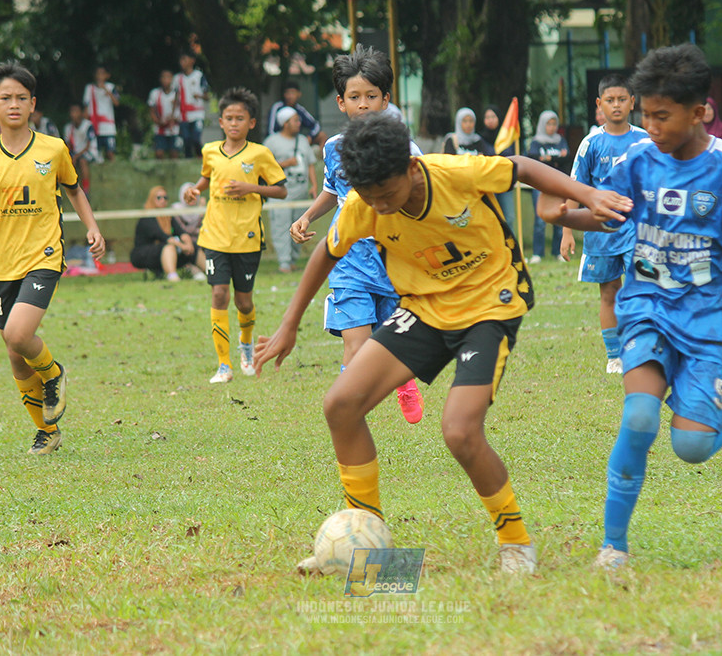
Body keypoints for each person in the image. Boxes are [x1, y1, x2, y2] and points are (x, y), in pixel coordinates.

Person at [256, 112, 633, 575]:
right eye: (370, 197)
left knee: (459, 431)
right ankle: (367, 543)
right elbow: (325, 253)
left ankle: (516, 543)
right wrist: (289, 324)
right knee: (341, 404)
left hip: (489, 306)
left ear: (411, 168)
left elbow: (523, 167)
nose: (380, 207)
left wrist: (587, 194)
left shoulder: (455, 172)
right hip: (424, 307)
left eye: (387, 193)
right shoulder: (363, 204)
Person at [539, 44, 722, 569]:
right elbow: (608, 214)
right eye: (646, 114)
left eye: (661, 116)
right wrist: (565, 216)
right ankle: (613, 546)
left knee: (690, 448)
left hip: (713, 321)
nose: (650, 126)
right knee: (639, 416)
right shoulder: (638, 159)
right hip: (647, 306)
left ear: (699, 112)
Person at [0, 60, 106, 455]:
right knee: (14, 354)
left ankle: (54, 373)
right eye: (6, 98)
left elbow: (74, 190)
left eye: (21, 98)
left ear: (33, 105)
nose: (14, 104)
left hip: (44, 254)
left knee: (18, 335)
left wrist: (92, 228)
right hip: (2, 262)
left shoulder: (53, 148)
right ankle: (48, 432)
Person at [287, 44, 426, 425]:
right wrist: (307, 216)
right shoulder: (333, 148)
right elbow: (333, 191)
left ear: (385, 99)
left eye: (371, 96)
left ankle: (403, 381)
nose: (362, 104)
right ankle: (349, 414)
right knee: (356, 343)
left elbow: (422, 199)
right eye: (354, 97)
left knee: (391, 341)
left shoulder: (406, 150)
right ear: (341, 102)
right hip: (347, 259)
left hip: (394, 260)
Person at [182, 87, 287, 384]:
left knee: (243, 302)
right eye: (229, 118)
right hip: (214, 236)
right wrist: (195, 190)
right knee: (218, 294)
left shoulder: (260, 154)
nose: (234, 123)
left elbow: (281, 190)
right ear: (221, 121)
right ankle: (224, 365)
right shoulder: (210, 151)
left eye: (240, 118)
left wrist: (250, 188)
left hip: (247, 237)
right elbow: (206, 177)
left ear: (251, 123)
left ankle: (246, 345)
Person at [563, 75, 649, 374]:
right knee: (609, 292)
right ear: (599, 104)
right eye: (610, 100)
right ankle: (614, 356)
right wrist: (567, 231)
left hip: (638, 230)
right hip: (600, 232)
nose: (616, 105)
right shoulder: (591, 143)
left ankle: (641, 350)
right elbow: (575, 186)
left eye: (622, 99)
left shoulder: (644, 141)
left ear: (632, 103)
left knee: (641, 290)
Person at [263, 106, 317, 273]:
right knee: (281, 227)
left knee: (300, 226)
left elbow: (310, 164)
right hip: (281, 194)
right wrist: (286, 163)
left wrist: (314, 185)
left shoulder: (303, 140)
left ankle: (293, 260)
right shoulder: (271, 142)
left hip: (301, 192)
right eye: (295, 120)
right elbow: (264, 167)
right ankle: (284, 263)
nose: (299, 123)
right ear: (285, 123)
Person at [130, 186, 204, 281]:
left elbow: (181, 233)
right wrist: (183, 246)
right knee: (169, 247)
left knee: (194, 247)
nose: (163, 200)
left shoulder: (168, 216)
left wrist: (189, 244)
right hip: (143, 254)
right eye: (159, 198)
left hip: (166, 250)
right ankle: (173, 276)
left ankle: (211, 273)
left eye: (165, 198)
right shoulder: (147, 217)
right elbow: (164, 237)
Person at [526, 110, 570, 264]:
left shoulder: (560, 140)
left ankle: (558, 251)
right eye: (548, 124)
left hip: (557, 184)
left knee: (559, 216)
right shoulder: (536, 142)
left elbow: (566, 157)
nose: (551, 127)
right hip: (540, 185)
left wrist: (547, 158)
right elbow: (533, 158)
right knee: (540, 219)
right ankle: (538, 253)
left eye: (553, 124)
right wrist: (555, 158)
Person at [479, 104, 519, 238]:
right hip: (489, 182)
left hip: (506, 180)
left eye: (493, 117)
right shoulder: (480, 139)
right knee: (493, 216)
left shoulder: (508, 137)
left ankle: (511, 245)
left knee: (509, 216)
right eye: (487, 117)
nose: (490, 120)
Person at [267, 80, 327, 149]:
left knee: (322, 135)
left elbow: (316, 125)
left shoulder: (300, 110)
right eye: (288, 93)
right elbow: (270, 131)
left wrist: (310, 136)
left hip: (297, 139)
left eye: (293, 93)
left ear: (299, 94)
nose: (290, 96)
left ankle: (321, 155)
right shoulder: (277, 107)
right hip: (280, 140)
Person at [175, 52, 210, 157]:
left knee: (196, 138)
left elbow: (207, 96)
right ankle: (188, 159)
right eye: (181, 60)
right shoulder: (178, 78)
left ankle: (200, 157)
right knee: (186, 139)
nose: (182, 63)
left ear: (192, 61)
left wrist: (199, 96)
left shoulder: (199, 76)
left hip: (197, 113)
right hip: (183, 114)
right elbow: (176, 97)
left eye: (184, 59)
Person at [83, 66, 120, 161]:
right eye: (98, 73)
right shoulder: (89, 88)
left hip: (108, 126)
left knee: (110, 152)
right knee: (96, 152)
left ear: (107, 75)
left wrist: (106, 90)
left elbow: (117, 103)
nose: (99, 76)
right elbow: (86, 106)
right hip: (94, 124)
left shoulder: (111, 87)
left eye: (102, 74)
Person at [63, 104, 98, 194]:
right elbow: (68, 145)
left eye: (76, 111)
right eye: (72, 111)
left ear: (81, 113)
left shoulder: (88, 125)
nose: (73, 114)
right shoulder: (68, 127)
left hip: (89, 151)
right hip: (75, 152)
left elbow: (88, 145)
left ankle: (86, 190)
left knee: (82, 161)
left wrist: (76, 156)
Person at [148, 70, 181, 159]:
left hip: (174, 129)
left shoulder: (177, 94)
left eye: (168, 77)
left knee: (174, 153)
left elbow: (181, 111)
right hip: (160, 129)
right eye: (163, 77)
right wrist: (158, 121)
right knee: (159, 153)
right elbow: (152, 111)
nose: (166, 80)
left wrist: (174, 119)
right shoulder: (155, 93)